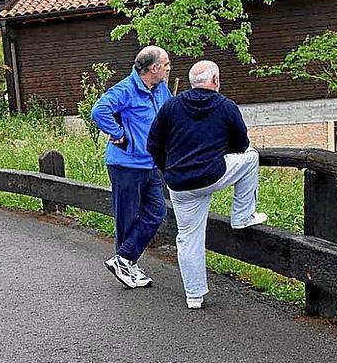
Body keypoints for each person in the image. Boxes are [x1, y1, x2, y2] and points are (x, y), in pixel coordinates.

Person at [146, 60, 267, 309]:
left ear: (192, 82)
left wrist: (167, 168)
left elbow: (153, 144)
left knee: (188, 238)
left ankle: (194, 296)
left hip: (179, 184)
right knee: (252, 157)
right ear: (215, 81)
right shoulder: (226, 107)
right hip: (212, 175)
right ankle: (243, 215)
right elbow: (241, 145)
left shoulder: (171, 106)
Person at [91, 46, 172, 289]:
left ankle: (123, 259)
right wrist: (119, 135)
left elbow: (169, 114)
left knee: (157, 211)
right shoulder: (126, 89)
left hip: (150, 163)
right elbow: (99, 110)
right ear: (154, 68)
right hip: (125, 164)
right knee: (126, 218)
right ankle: (127, 264)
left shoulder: (160, 89)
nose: (169, 68)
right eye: (166, 64)